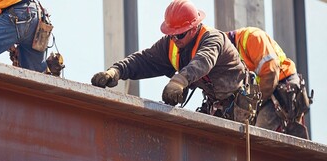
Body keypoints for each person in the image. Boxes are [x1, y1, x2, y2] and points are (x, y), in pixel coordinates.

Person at [91, 0, 255, 124]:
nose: (175, 39)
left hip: (239, 106)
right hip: (216, 105)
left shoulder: (213, 39)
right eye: (172, 34)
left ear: (194, 28)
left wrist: (179, 82)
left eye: (180, 35)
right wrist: (116, 71)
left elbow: (203, 61)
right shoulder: (171, 45)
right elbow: (145, 60)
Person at [227, 27, 312, 139]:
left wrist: (255, 104)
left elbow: (270, 72)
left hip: (282, 89)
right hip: (270, 92)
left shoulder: (253, 37)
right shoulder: (236, 51)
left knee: (258, 136)